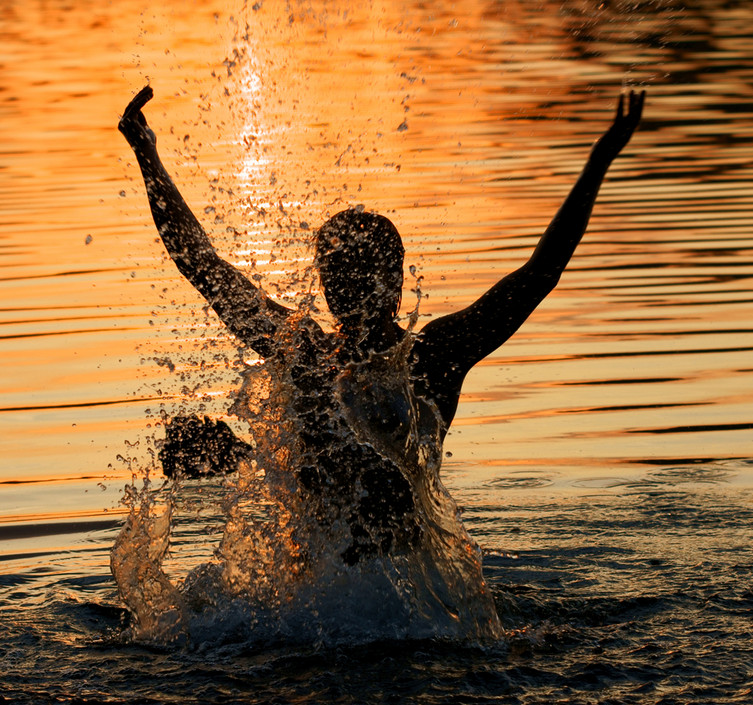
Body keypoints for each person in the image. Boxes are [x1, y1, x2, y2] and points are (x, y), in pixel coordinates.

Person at [118, 85, 644, 566]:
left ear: (324, 288)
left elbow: (203, 266)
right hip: (414, 596)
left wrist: (149, 156)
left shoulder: (302, 352)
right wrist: (599, 160)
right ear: (396, 287)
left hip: (319, 606)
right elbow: (540, 273)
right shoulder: (433, 356)